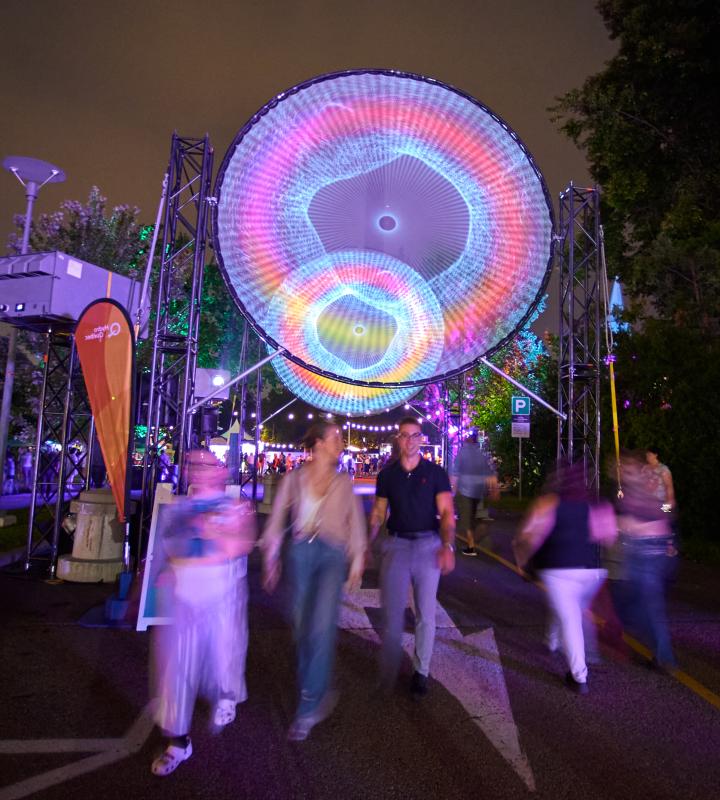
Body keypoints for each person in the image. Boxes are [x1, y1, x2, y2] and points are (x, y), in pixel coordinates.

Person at [150, 450, 256, 776]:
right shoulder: (177, 509)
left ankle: (226, 696)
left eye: (204, 465)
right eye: (191, 465)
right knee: (177, 670)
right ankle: (178, 742)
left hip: (222, 594)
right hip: (185, 597)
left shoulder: (233, 507)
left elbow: (241, 544)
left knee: (224, 655)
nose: (196, 470)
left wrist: (216, 532)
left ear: (220, 471)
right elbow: (166, 552)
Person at [261, 421, 366, 741]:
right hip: (300, 554)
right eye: (335, 438)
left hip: (331, 555)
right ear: (318, 444)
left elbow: (355, 521)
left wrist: (357, 558)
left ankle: (308, 704)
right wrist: (271, 558)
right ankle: (316, 686)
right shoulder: (294, 479)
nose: (340, 443)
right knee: (301, 626)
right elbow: (277, 518)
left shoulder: (343, 482)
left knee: (320, 626)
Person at [369, 417, 456, 698]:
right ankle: (390, 665)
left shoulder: (436, 473)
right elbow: (378, 513)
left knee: (425, 614)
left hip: (428, 545)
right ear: (398, 439)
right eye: (404, 435)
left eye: (415, 435)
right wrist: (367, 541)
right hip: (397, 545)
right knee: (392, 613)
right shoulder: (387, 475)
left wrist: (447, 545)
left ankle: (421, 671)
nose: (410, 440)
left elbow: (447, 513)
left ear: (421, 438)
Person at [512, 463, 617, 694]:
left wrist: (522, 562)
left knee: (570, 618)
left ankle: (579, 676)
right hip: (592, 573)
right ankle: (553, 641)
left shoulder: (547, 504)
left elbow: (529, 538)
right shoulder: (596, 504)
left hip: (558, 571)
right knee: (572, 608)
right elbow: (609, 538)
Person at [618, 451, 678, 671]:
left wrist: (658, 511)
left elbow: (669, 503)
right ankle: (661, 652)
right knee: (640, 600)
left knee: (646, 603)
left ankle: (664, 656)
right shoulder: (643, 473)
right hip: (644, 543)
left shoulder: (663, 472)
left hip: (649, 544)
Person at [450, 432, 499, 556]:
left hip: (464, 490)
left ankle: (470, 546)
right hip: (478, 491)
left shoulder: (462, 453)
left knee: (465, 520)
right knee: (471, 516)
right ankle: (477, 534)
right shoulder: (481, 455)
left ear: (467, 441)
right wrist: (494, 490)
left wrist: (452, 492)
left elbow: (455, 474)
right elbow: (490, 474)